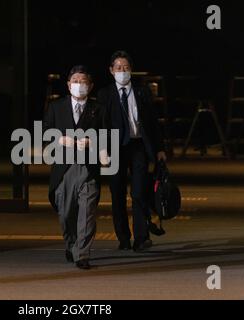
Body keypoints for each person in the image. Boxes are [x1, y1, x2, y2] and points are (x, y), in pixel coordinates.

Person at [97, 50, 166, 252]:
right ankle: (123, 238)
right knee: (117, 193)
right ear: (111, 71)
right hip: (115, 149)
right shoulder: (104, 94)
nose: (122, 71)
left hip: (138, 147)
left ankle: (141, 237)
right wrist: (103, 150)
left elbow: (153, 123)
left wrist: (160, 148)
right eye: (118, 68)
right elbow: (101, 125)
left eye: (126, 67)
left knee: (139, 192)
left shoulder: (142, 92)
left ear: (131, 70)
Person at [43, 65, 104, 270]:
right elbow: (45, 135)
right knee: (66, 213)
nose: (79, 85)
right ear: (68, 85)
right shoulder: (56, 107)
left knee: (86, 213)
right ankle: (71, 245)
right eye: (75, 81)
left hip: (88, 168)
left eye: (83, 81)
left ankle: (82, 254)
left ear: (91, 86)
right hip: (64, 169)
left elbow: (108, 136)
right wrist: (61, 140)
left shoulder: (98, 109)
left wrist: (92, 142)